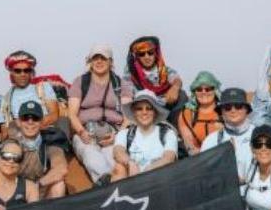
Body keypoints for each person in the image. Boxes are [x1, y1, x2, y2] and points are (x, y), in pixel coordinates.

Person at [67, 44, 134, 186]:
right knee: (90, 155)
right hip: (86, 132)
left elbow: (128, 115)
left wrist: (118, 135)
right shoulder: (80, 82)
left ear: (111, 61)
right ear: (89, 62)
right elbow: (72, 114)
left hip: (112, 133)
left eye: (103, 58)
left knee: (114, 159)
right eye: (95, 58)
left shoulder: (121, 84)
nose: (99, 62)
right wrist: (81, 132)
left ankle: (115, 184)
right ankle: (104, 181)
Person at [111, 91, 178, 181]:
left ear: (155, 112)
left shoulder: (167, 133)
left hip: (158, 181)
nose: (144, 112)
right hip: (132, 182)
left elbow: (168, 158)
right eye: (139, 109)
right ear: (134, 112)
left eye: (149, 108)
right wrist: (130, 163)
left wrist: (147, 171)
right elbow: (117, 151)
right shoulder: (125, 133)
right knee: (119, 167)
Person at [6, 101, 68, 198]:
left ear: (42, 121)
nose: (30, 122)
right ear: (18, 122)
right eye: (25, 118)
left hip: (39, 194)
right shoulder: (9, 144)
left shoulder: (50, 141)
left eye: (35, 118)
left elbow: (61, 169)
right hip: (15, 196)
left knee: (59, 185)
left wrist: (36, 186)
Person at [0, 50, 60, 137]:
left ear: (31, 72)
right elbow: (5, 130)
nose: (22, 74)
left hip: (45, 135)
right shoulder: (6, 99)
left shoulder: (43, 88)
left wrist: (31, 128)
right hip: (19, 140)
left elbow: (54, 115)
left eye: (26, 70)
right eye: (18, 71)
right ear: (11, 73)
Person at [200, 87, 257, 180]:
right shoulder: (211, 141)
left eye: (238, 106)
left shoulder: (261, 135)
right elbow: (203, 174)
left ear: (246, 110)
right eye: (227, 107)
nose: (233, 110)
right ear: (221, 112)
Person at [125, 36, 185, 122]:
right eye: (142, 54)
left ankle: (178, 127)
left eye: (150, 52)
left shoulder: (165, 71)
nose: (146, 57)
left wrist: (175, 87)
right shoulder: (130, 76)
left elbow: (176, 79)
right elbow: (126, 99)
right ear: (137, 57)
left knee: (182, 95)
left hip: (166, 109)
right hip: (143, 112)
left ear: (156, 53)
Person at [177, 71, 223, 156]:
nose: (203, 92)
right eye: (199, 89)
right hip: (198, 160)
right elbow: (190, 146)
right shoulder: (187, 114)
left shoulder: (225, 111)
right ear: (194, 92)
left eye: (208, 89)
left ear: (215, 90)